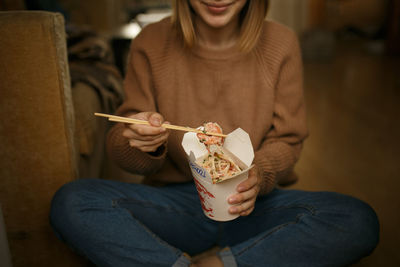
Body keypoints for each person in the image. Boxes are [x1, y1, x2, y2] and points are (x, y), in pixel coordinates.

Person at [50, 1, 379, 266]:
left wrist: (258, 173)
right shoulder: (150, 42)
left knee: (357, 220)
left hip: (253, 205)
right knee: (72, 203)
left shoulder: (281, 43)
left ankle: (218, 264)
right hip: (177, 206)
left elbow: (288, 140)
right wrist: (142, 143)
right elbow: (122, 149)